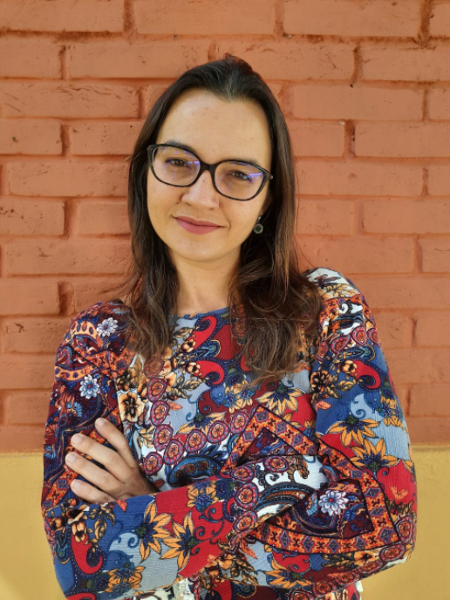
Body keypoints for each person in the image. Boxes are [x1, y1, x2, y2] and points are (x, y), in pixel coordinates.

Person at [41, 55, 417, 600]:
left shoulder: (324, 313)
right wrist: (288, 477)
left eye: (238, 174)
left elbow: (385, 528)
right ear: (146, 170)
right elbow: (81, 566)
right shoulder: (100, 342)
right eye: (178, 162)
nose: (201, 196)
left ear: (268, 198)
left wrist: (150, 508)